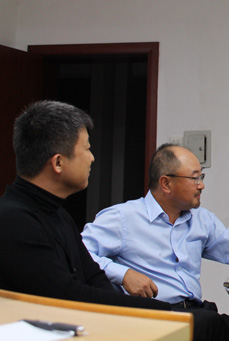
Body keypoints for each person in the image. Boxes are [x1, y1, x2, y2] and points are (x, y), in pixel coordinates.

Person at [82, 143, 229, 341]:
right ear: (166, 183)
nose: (201, 185)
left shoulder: (201, 220)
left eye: (201, 177)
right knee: (214, 324)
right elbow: (80, 254)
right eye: (195, 178)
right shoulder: (123, 218)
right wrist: (123, 274)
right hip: (155, 317)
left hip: (194, 311)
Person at [0, 100, 169, 311]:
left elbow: (94, 277)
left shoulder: (59, 214)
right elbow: (69, 296)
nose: (92, 158)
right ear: (58, 162)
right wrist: (165, 313)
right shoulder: (13, 220)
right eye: (87, 149)